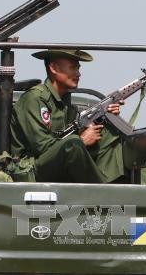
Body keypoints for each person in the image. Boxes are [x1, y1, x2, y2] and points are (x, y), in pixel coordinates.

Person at [9, 49, 125, 183]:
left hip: (57, 164)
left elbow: (67, 134)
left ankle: (112, 186)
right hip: (31, 170)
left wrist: (106, 115)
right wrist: (81, 140)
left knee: (107, 134)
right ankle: (101, 193)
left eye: (78, 68)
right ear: (53, 68)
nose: (78, 73)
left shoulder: (64, 102)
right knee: (73, 144)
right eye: (73, 68)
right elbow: (43, 147)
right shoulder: (34, 99)